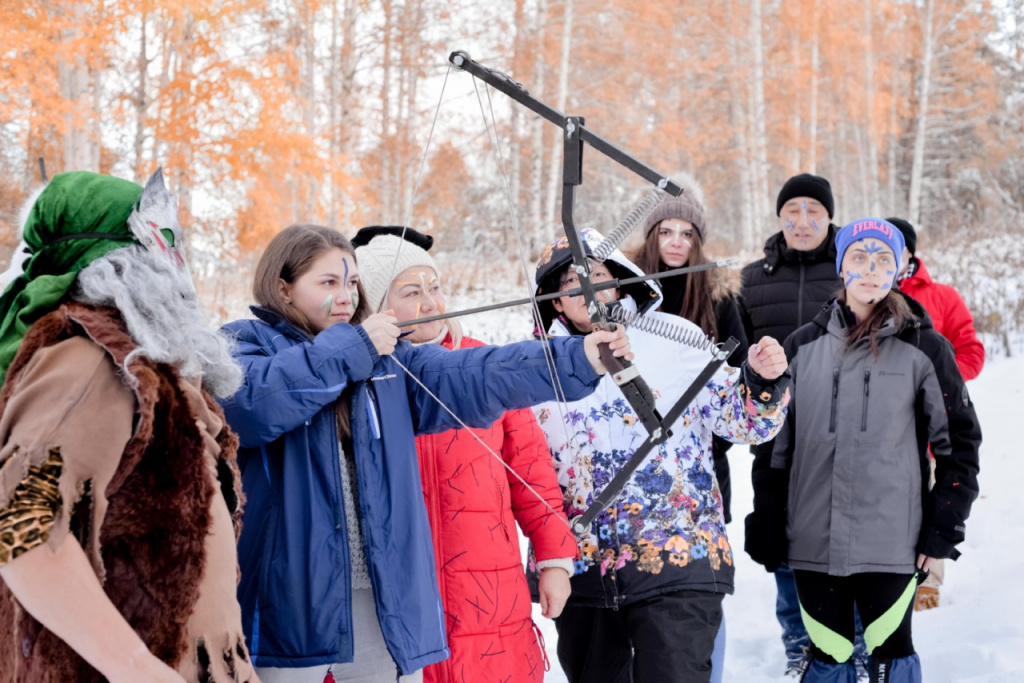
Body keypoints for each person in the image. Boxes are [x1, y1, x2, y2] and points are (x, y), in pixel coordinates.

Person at [218, 224, 630, 683]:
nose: (345, 297)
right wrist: (353, 347)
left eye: (352, 284)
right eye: (328, 283)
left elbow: (474, 373)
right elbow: (253, 406)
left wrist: (578, 357)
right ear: (283, 287)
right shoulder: (244, 344)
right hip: (288, 609)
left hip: (383, 604)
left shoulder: (385, 361)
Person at [0, 170, 257, 682]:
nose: (177, 267)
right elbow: (21, 528)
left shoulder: (145, 360)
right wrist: (136, 667)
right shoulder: (88, 361)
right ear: (118, 260)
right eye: (160, 243)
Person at [529, 228, 790, 683]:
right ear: (555, 300)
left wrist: (763, 382)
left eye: (598, 274)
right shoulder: (536, 366)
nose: (588, 288)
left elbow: (744, 421)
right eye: (573, 281)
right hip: (582, 573)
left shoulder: (676, 340)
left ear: (619, 282)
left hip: (676, 563)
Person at [746, 218, 981, 682]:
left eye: (882, 259)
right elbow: (774, 446)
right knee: (829, 654)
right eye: (858, 256)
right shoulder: (802, 346)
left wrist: (943, 527)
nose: (869, 269)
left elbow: (959, 445)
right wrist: (768, 519)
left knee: (888, 654)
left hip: (894, 542)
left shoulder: (925, 348)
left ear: (897, 270)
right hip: (812, 540)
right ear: (840, 265)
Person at [353, 229, 576, 683]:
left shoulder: (482, 366)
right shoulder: (358, 381)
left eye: (433, 287)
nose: (431, 302)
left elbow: (532, 474)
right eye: (411, 292)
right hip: (401, 610)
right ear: (376, 306)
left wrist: (555, 560)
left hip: (490, 604)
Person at [632, 181, 748, 682]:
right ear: (651, 236)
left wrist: (706, 437)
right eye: (666, 231)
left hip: (699, 463)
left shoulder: (719, 298)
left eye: (686, 233)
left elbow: (738, 380)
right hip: (633, 462)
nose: (676, 242)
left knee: (696, 580)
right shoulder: (626, 293)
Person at [738, 172, 845, 677]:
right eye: (792, 211)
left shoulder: (851, 271)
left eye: (813, 212)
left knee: (848, 535)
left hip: (845, 433)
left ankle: (857, 644)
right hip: (776, 437)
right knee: (780, 539)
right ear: (779, 217)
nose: (803, 222)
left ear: (829, 216)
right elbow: (731, 353)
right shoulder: (752, 279)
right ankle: (798, 644)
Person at [889, 217, 986, 612]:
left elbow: (971, 350)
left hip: (930, 430)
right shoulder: (862, 294)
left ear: (910, 253)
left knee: (934, 498)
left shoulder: (942, 296)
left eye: (898, 249)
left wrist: (940, 385)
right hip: (883, 429)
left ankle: (928, 581)